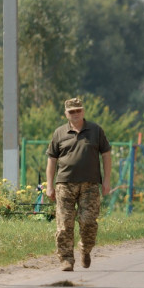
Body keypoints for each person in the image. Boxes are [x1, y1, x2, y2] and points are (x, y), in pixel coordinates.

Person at [46, 97, 112, 271]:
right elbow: (52, 160)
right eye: (71, 111)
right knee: (64, 225)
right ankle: (66, 259)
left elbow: (106, 155)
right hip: (64, 185)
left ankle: (85, 249)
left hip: (90, 185)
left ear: (83, 111)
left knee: (89, 222)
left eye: (78, 110)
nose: (75, 114)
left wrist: (106, 181)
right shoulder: (59, 133)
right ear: (66, 113)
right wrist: (49, 185)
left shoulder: (96, 130)